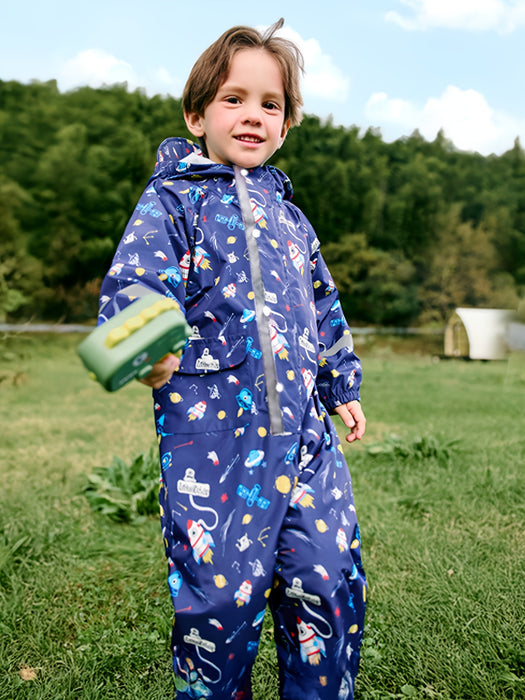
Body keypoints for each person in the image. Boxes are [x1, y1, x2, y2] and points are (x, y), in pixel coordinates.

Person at [97, 18, 367, 699]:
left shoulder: (293, 222)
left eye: (270, 104)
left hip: (306, 436)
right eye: (233, 99)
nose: (253, 115)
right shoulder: (173, 202)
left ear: (286, 124)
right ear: (197, 116)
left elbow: (323, 305)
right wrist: (147, 347)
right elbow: (138, 283)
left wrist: (341, 382)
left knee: (327, 574)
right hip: (214, 441)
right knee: (220, 602)